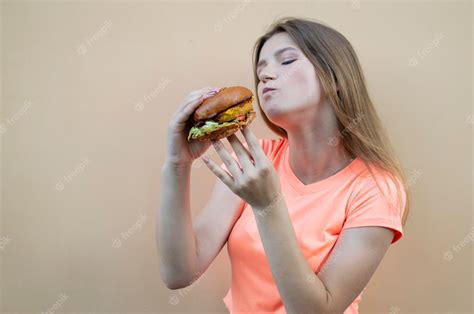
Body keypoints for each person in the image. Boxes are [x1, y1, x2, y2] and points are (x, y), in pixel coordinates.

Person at [158, 17, 411, 314]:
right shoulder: (252, 162)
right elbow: (180, 273)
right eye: (260, 71)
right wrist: (178, 164)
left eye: (287, 61)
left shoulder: (376, 188)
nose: (265, 77)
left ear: (336, 76)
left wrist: (268, 205)